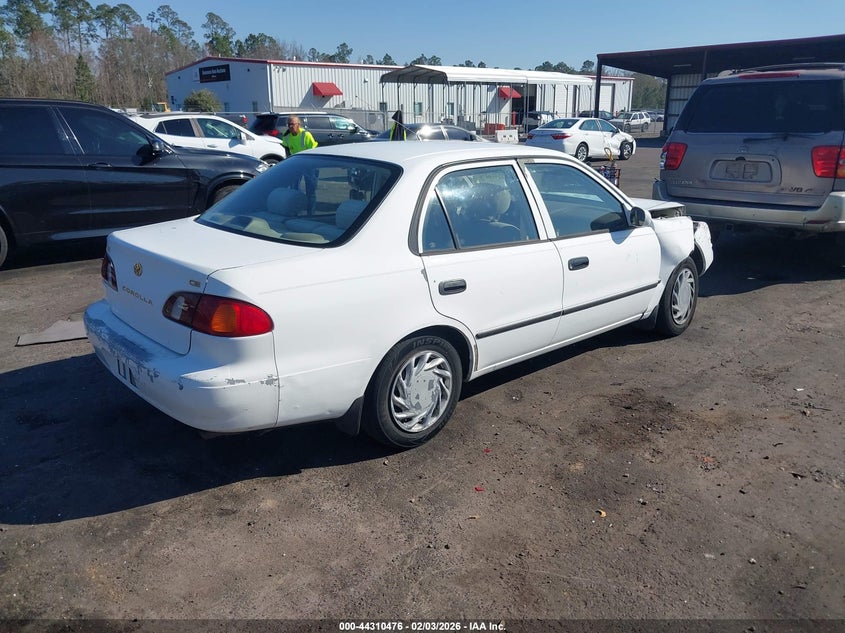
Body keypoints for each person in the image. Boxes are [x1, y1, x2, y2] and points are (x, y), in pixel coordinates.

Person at [282, 115, 319, 213]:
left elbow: (314, 150)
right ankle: (294, 211)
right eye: (289, 124)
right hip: (296, 165)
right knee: (294, 190)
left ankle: (310, 214)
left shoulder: (306, 135)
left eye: (292, 124)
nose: (290, 126)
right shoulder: (286, 136)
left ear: (298, 124)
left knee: (310, 191)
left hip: (309, 165)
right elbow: (287, 150)